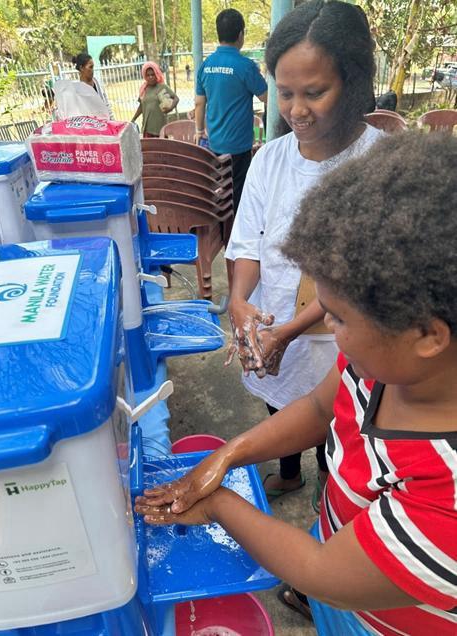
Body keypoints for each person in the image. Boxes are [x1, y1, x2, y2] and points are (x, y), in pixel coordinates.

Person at [135, 130, 457, 635]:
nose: (327, 327)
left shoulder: (449, 493)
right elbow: (316, 407)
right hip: (336, 545)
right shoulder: (383, 368)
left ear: (426, 334)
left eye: (340, 318)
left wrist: (219, 503)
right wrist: (229, 454)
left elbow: (319, 573)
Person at [224, 0, 383, 516]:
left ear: (354, 82)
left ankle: (325, 501)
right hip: (275, 321)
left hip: (340, 336)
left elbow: (353, 278)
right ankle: (289, 477)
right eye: (285, 92)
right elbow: (248, 243)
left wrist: (288, 331)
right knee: (278, 403)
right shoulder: (270, 159)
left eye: (315, 92)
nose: (296, 109)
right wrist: (239, 300)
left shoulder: (378, 164)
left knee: (332, 422)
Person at [195, 8, 268, 211]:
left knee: (219, 191)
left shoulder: (205, 65)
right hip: (239, 147)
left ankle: (221, 231)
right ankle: (234, 234)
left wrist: (199, 131)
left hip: (214, 144)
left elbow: (199, 103)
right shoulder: (246, 66)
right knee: (238, 194)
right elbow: (267, 97)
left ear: (219, 34)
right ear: (241, 34)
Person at [131, 61, 179, 137]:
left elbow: (176, 98)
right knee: (149, 148)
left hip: (159, 127)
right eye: (148, 75)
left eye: (152, 74)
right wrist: (133, 119)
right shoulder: (144, 89)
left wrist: (170, 108)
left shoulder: (162, 87)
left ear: (156, 74)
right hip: (147, 127)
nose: (150, 77)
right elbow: (141, 106)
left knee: (161, 148)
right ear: (145, 76)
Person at [72, 53, 113, 118]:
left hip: (105, 123)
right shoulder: (77, 90)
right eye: (90, 67)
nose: (92, 70)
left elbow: (106, 105)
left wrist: (112, 121)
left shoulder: (97, 84)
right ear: (81, 68)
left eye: (93, 67)